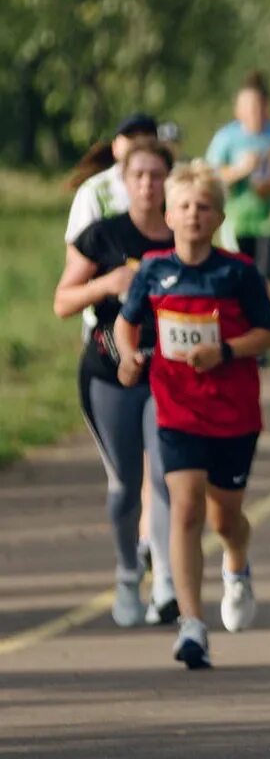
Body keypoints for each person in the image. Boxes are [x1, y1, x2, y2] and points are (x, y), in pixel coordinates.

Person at [114, 162, 270, 669]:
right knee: (184, 509)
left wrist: (225, 351)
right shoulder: (153, 269)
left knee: (224, 517)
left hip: (233, 414)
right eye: (184, 207)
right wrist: (127, 356)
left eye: (203, 208)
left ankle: (237, 563)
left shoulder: (237, 272)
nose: (192, 216)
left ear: (218, 217)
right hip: (176, 409)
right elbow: (127, 324)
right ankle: (192, 624)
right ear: (169, 214)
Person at [54, 138, 177, 627]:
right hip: (111, 373)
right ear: (123, 183)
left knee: (167, 475)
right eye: (139, 176)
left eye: (156, 175)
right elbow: (63, 302)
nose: (148, 184)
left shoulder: (183, 232)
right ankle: (129, 572)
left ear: (169, 179)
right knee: (126, 485)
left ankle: (165, 579)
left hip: (168, 374)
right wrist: (106, 284)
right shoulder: (102, 236)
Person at [206, 74, 270, 263]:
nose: (254, 111)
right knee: (240, 276)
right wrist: (241, 169)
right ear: (238, 110)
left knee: (264, 280)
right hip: (237, 221)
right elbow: (209, 178)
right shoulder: (226, 138)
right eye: (248, 106)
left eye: (258, 105)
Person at [64, 113, 159, 246]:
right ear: (115, 147)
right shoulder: (94, 190)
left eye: (146, 136)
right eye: (131, 137)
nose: (139, 142)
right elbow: (79, 248)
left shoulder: (172, 184)